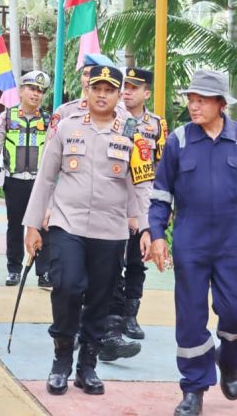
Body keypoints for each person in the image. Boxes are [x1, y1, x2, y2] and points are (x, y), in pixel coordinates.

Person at [144, 69, 237, 416]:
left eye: (201, 99)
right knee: (190, 315)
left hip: (232, 240)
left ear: (221, 104)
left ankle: (230, 362)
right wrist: (157, 234)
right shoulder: (178, 141)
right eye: (191, 98)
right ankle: (194, 389)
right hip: (191, 239)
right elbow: (161, 195)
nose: (193, 105)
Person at [22, 65, 152, 397]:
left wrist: (148, 227)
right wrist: (33, 225)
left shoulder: (132, 132)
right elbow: (46, 178)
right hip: (69, 224)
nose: (102, 94)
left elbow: (141, 184)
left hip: (111, 230)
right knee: (65, 286)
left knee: (100, 298)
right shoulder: (67, 127)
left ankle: (87, 366)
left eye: (110, 89)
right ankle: (61, 360)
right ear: (88, 90)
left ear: (118, 93)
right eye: (97, 88)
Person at [100, 67, 168, 362]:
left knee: (138, 262)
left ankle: (130, 315)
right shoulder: (116, 121)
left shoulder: (156, 125)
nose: (127, 91)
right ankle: (110, 320)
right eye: (124, 87)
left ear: (146, 93)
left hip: (146, 200)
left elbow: (162, 165)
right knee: (112, 262)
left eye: (134, 87)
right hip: (117, 202)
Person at [0, 70, 52, 287]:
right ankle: (13, 269)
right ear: (22, 91)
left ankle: (44, 272)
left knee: (43, 226)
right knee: (15, 225)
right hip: (14, 181)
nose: (36, 94)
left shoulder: (48, 120)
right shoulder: (8, 116)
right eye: (32, 89)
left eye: (40, 91)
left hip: (39, 182)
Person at [47, 53, 127, 140]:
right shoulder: (64, 112)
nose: (88, 80)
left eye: (93, 75)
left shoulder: (124, 116)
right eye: (85, 74)